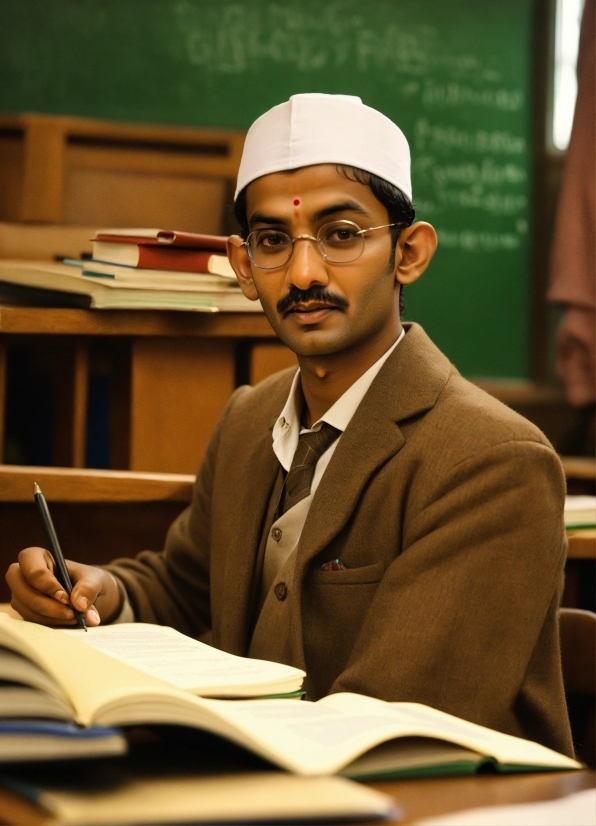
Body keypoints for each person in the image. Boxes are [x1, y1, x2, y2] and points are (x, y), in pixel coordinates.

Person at [6, 94, 573, 756]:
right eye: (273, 241)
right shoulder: (250, 419)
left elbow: (401, 726)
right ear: (243, 265)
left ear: (409, 253)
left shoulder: (492, 461)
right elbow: (185, 589)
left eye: (341, 235)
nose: (303, 273)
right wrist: (103, 591)